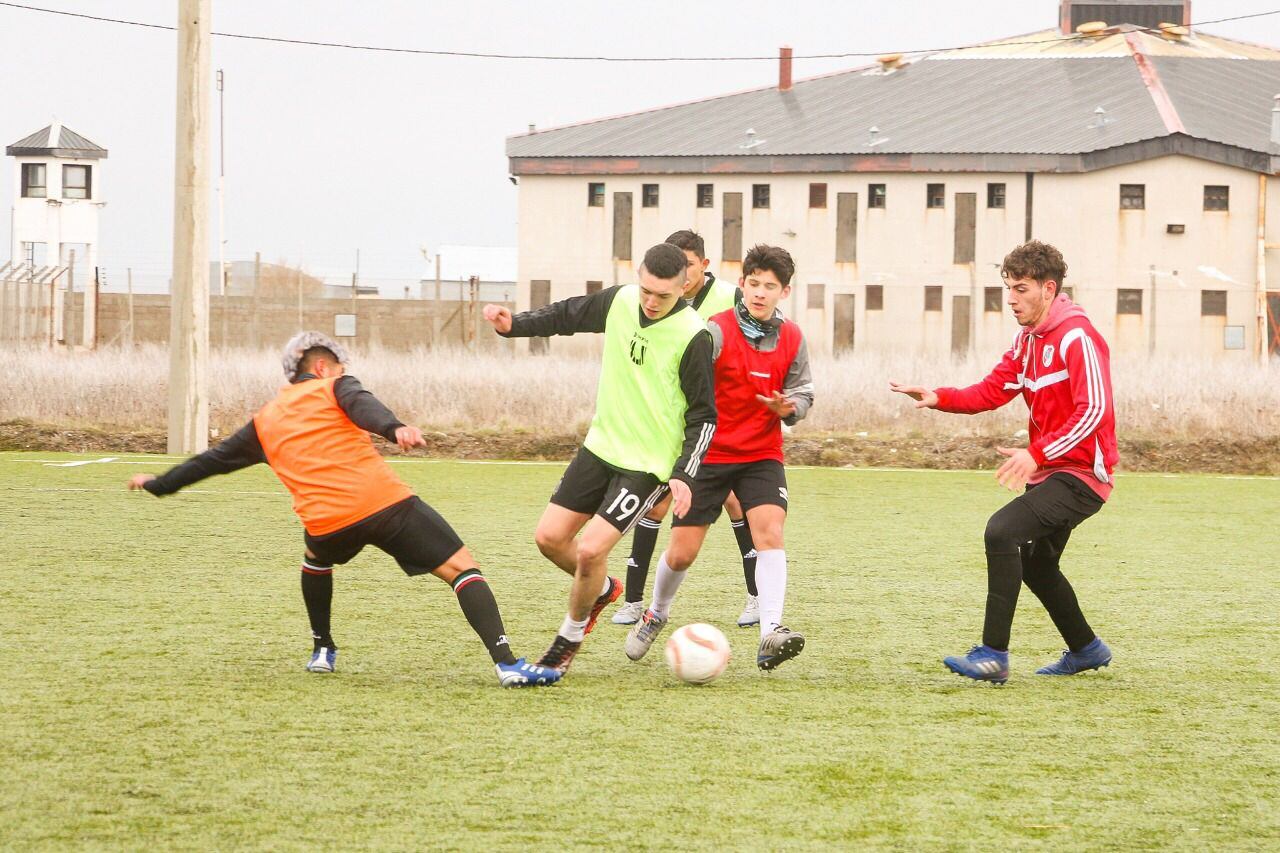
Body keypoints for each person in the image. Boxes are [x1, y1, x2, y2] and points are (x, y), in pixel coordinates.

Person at [127, 331, 560, 688]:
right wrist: (394, 428)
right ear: (321, 367)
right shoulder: (335, 386)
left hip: (326, 523)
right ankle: (506, 662)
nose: (345, 374)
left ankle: (322, 649)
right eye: (340, 367)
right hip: (383, 505)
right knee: (462, 569)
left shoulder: (263, 422)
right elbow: (364, 406)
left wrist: (159, 485)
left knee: (315, 560)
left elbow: (212, 461)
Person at [890, 240, 1117, 684]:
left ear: (1049, 289)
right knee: (1036, 564)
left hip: (1083, 475)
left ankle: (993, 654)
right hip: (1054, 471)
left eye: (1021, 289)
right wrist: (940, 398)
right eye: (1008, 288)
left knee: (1002, 530)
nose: (1011, 299)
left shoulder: (1077, 336)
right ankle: (1087, 648)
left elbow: (1095, 411)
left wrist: (1037, 453)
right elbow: (992, 390)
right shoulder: (1026, 340)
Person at [483, 243, 715, 676]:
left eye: (662, 296)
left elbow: (704, 415)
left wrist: (684, 473)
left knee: (590, 550)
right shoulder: (621, 300)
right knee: (549, 540)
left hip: (648, 465)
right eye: (646, 289)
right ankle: (604, 589)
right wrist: (513, 324)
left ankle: (565, 645)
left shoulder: (693, 335)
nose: (650, 301)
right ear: (639, 276)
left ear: (683, 288)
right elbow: (568, 315)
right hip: (602, 446)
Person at [623, 244, 814, 671]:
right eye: (753, 283)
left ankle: (771, 631)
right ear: (742, 284)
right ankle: (656, 611)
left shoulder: (794, 337)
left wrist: (790, 408)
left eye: (770, 286)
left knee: (770, 529)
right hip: (708, 455)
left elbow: (804, 391)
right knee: (682, 554)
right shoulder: (715, 331)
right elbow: (686, 386)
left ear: (784, 292)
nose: (760, 293)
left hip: (761, 455)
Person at [613, 229, 762, 629]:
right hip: (669, 418)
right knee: (656, 505)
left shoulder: (730, 297)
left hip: (714, 417)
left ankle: (756, 596)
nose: (683, 273)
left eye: (689, 266)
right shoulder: (656, 299)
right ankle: (633, 601)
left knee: (733, 501)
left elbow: (758, 336)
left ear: (703, 266)